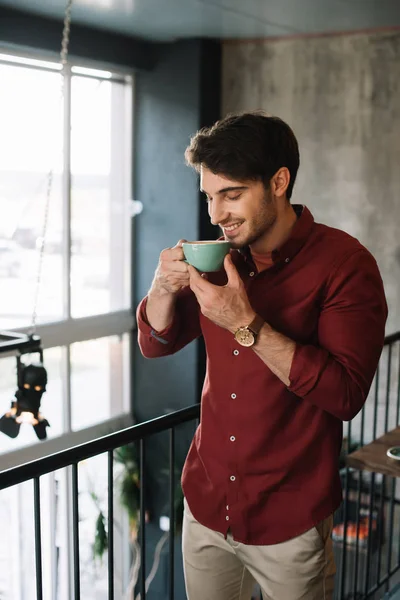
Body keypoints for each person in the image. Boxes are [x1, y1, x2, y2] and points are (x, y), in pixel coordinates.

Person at [136, 112, 388, 600]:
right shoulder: (216, 257)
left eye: (231, 195)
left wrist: (246, 325)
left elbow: (345, 395)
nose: (216, 214)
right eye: (209, 196)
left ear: (279, 182)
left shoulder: (345, 266)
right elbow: (155, 342)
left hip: (288, 521)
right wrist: (162, 286)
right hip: (205, 508)